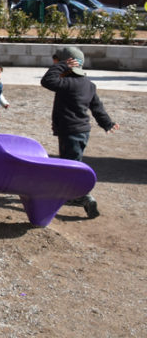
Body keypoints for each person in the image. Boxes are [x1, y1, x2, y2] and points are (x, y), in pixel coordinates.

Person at [41, 46, 118, 219]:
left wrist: (62, 66)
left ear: (68, 63)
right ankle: (70, 194)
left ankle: (83, 197)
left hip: (70, 131)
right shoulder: (88, 85)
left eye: (57, 60)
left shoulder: (67, 83)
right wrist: (107, 123)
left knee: (71, 167)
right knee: (72, 162)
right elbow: (97, 107)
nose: (54, 63)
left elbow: (47, 81)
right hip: (83, 131)